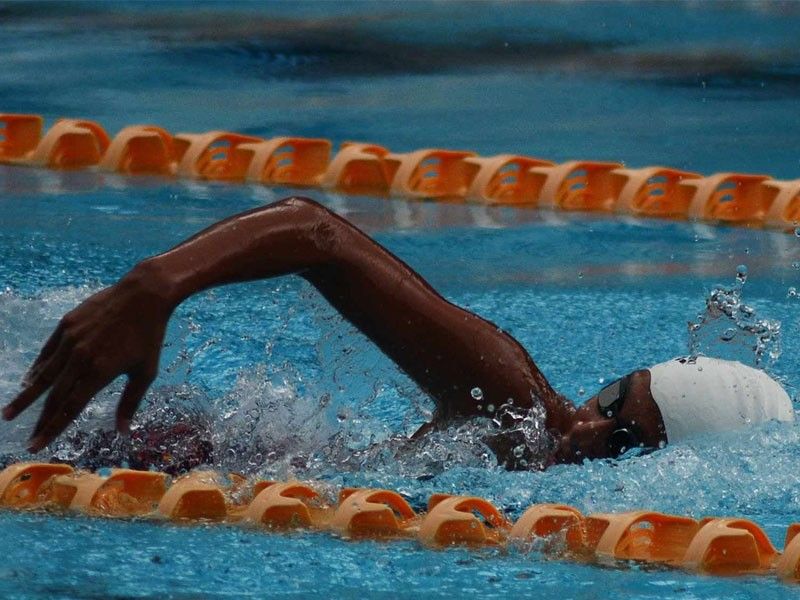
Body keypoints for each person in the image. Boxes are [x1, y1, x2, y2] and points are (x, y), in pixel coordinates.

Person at [1, 197, 794, 469]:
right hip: (160, 454)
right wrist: (154, 286)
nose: (585, 427)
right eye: (611, 399)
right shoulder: (515, 404)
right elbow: (317, 234)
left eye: (623, 443)